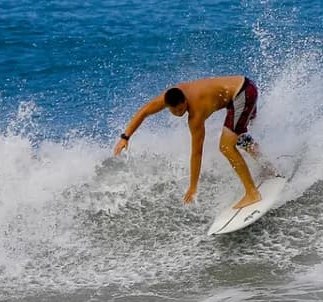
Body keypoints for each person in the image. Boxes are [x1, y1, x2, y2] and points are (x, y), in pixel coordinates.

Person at [113, 75, 275, 208]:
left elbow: (197, 153)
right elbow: (144, 111)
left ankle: (252, 193)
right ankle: (268, 167)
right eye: (174, 111)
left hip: (243, 94)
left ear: (185, 101)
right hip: (245, 87)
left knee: (226, 147)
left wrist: (193, 186)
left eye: (181, 109)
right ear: (167, 106)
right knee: (237, 134)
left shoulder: (195, 115)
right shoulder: (169, 96)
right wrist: (125, 137)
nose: (179, 113)